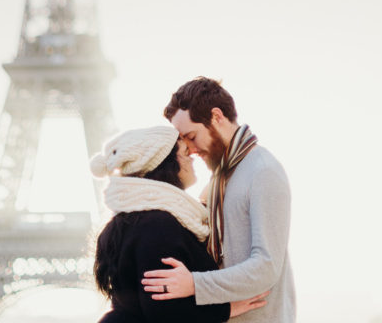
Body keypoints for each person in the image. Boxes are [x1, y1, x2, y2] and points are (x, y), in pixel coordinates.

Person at [141, 78, 295, 323]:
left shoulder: (263, 171)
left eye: (192, 136)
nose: (190, 150)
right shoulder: (218, 179)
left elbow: (266, 267)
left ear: (216, 117)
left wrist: (194, 284)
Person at [91, 124, 268, 323]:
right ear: (166, 164)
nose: (192, 157)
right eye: (185, 153)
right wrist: (226, 309)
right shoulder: (157, 226)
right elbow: (163, 309)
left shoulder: (135, 220)